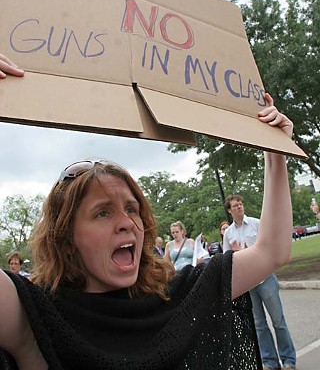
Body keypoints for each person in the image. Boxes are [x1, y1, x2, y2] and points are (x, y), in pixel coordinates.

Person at [0, 53, 294, 370]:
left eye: (132, 209)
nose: (126, 223)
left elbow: (270, 252)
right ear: (67, 236)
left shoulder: (181, 296)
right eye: (102, 213)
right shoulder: (35, 315)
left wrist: (276, 153)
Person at [223, 194, 296, 370]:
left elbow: (270, 247)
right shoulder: (228, 233)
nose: (239, 207)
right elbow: (227, 259)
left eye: (240, 203)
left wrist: (252, 252)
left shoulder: (257, 223)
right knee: (259, 325)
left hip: (265, 279)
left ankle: (288, 360)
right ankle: (270, 361)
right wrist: (237, 253)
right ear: (229, 210)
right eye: (235, 205)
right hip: (248, 283)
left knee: (278, 320)